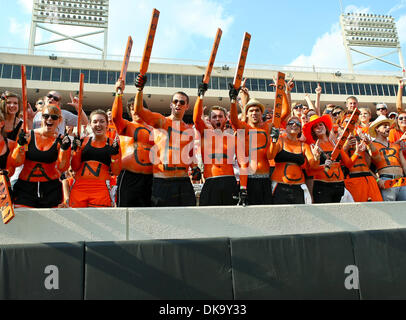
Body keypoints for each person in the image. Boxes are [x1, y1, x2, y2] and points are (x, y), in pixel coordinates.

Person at [134, 74, 199, 207]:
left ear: (187, 106)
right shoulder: (161, 121)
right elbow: (139, 111)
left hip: (183, 182)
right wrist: (140, 90)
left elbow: (190, 154)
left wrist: (195, 167)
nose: (178, 104)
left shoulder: (189, 130)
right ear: (171, 104)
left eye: (182, 102)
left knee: (188, 220)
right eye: (175, 101)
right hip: (162, 182)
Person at [11, 104, 71, 208]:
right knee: (22, 219)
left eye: (54, 117)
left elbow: (62, 167)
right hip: (25, 188)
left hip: (51, 189)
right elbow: (16, 162)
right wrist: (20, 145)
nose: (49, 119)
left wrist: (64, 149)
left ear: (59, 120)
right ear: (41, 117)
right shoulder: (28, 135)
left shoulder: (62, 140)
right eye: (46, 116)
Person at [112, 79, 155, 207]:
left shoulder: (155, 130)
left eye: (138, 107)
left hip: (150, 178)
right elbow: (115, 117)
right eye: (132, 108)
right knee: (124, 212)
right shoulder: (125, 125)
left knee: (150, 213)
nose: (135, 111)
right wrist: (119, 93)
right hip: (128, 177)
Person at [193, 82, 238, 205]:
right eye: (214, 117)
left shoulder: (231, 138)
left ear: (225, 119)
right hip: (211, 181)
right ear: (210, 120)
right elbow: (196, 119)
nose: (217, 119)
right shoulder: (205, 134)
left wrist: (233, 100)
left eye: (220, 116)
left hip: (229, 180)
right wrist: (200, 96)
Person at [69, 109, 121, 208]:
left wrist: (115, 156)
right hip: (79, 188)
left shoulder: (113, 144)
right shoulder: (82, 141)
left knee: (100, 221)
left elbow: (116, 171)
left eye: (102, 121)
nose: (98, 124)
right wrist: (77, 151)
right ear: (90, 124)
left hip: (101, 189)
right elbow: (75, 167)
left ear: (107, 124)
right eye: (95, 121)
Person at [302, 114, 359, 203]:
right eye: (315, 126)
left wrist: (357, 152)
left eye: (321, 124)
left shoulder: (335, 143)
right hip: (322, 186)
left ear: (325, 126)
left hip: (340, 185)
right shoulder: (311, 146)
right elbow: (310, 170)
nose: (319, 127)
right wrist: (319, 161)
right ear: (313, 131)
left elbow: (348, 164)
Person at [269, 116, 318, 204]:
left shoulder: (304, 146)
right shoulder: (279, 141)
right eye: (291, 123)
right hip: (279, 185)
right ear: (286, 128)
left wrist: (317, 156)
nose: (294, 125)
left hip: (298, 187)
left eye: (298, 124)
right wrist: (273, 141)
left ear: (300, 130)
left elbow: (313, 165)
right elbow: (270, 156)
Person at [341, 113, 383, 202]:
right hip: (353, 179)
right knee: (358, 211)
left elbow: (376, 159)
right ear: (342, 125)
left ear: (356, 124)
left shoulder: (361, 139)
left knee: (379, 208)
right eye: (347, 121)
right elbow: (341, 163)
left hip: (369, 179)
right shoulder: (338, 141)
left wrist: (368, 143)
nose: (350, 124)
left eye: (352, 122)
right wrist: (346, 146)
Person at [368, 115, 406, 201]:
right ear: (377, 129)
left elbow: (404, 165)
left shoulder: (395, 145)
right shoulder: (371, 145)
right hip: (386, 180)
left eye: (388, 126)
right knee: (389, 211)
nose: (388, 127)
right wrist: (378, 180)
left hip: (402, 180)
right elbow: (366, 167)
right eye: (385, 126)